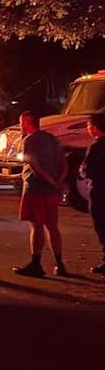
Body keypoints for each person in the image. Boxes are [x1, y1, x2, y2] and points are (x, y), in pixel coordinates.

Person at [13, 111, 69, 277]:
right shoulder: (54, 140)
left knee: (36, 226)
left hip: (36, 189)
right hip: (52, 193)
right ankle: (59, 264)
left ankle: (36, 263)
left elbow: (34, 167)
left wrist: (50, 181)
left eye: (22, 123)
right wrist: (58, 181)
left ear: (28, 123)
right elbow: (64, 164)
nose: (21, 126)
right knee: (53, 227)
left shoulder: (29, 141)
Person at [79, 111, 105, 275]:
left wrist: (82, 170)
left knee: (101, 224)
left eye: (89, 125)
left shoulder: (96, 146)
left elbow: (87, 170)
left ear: (95, 127)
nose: (88, 128)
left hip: (100, 190)